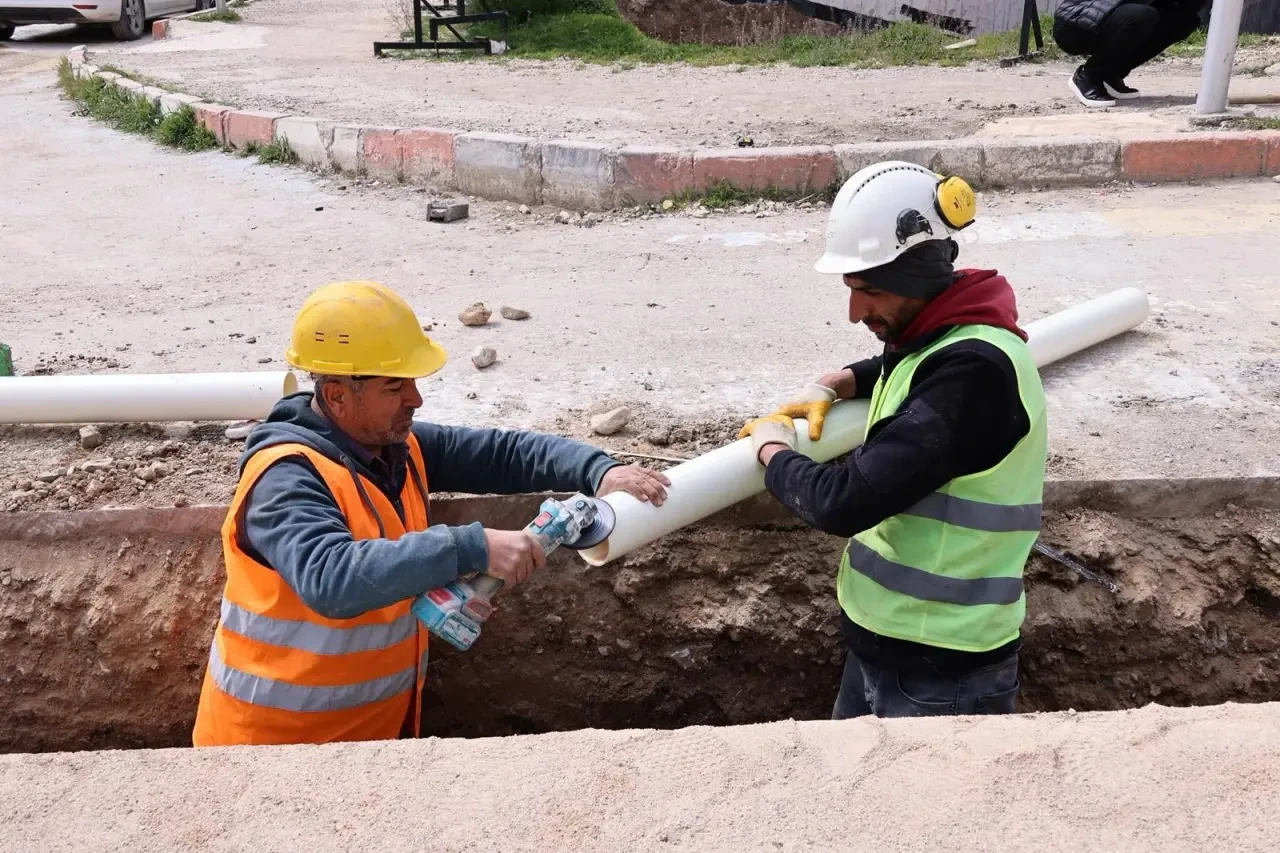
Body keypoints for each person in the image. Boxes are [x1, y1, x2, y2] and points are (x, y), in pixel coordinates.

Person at [192, 280, 669, 747]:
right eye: (395, 386)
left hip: (366, 748)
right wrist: (471, 545)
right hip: (264, 757)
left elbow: (504, 454)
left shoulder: (394, 446)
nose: (415, 399)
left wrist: (597, 470)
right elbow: (329, 578)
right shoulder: (285, 476)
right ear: (337, 395)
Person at [737, 161, 1047, 720]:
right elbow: (914, 360)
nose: (855, 312)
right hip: (890, 645)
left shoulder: (974, 374)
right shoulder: (942, 331)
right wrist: (848, 380)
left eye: (869, 291)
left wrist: (771, 450)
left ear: (918, 281)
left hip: (942, 668)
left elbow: (844, 501)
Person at [1053, 0, 1210, 108]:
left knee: (1183, 19)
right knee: (1142, 16)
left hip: (1121, 14)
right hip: (1078, 21)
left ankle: (1109, 74)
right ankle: (1088, 76)